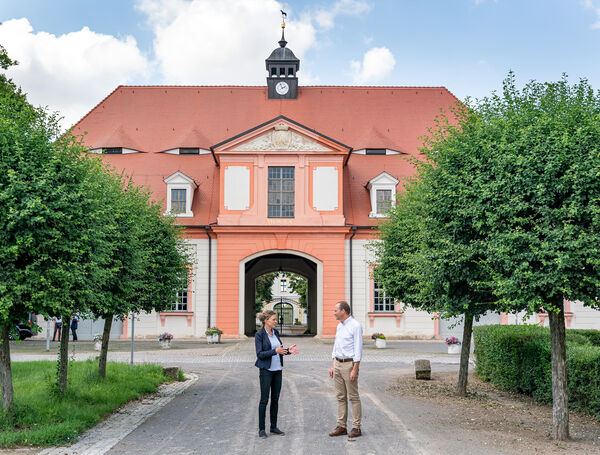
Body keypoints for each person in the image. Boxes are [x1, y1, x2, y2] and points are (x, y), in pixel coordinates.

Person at [255, 309, 298, 438]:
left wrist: (288, 351)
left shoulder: (276, 333)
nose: (276, 321)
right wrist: (275, 351)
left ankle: (273, 427)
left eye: (275, 319)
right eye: (273, 319)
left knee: (275, 399)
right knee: (264, 400)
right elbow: (260, 354)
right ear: (266, 321)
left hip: (277, 370)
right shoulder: (260, 335)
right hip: (266, 371)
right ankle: (262, 429)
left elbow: (280, 350)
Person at [328, 300, 363, 438]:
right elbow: (336, 347)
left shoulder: (355, 326)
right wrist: (332, 365)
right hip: (337, 363)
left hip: (349, 365)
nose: (334, 312)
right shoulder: (339, 326)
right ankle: (341, 426)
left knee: (353, 397)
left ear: (343, 311)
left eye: (335, 310)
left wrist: (355, 369)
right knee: (340, 397)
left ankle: (356, 427)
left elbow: (358, 349)